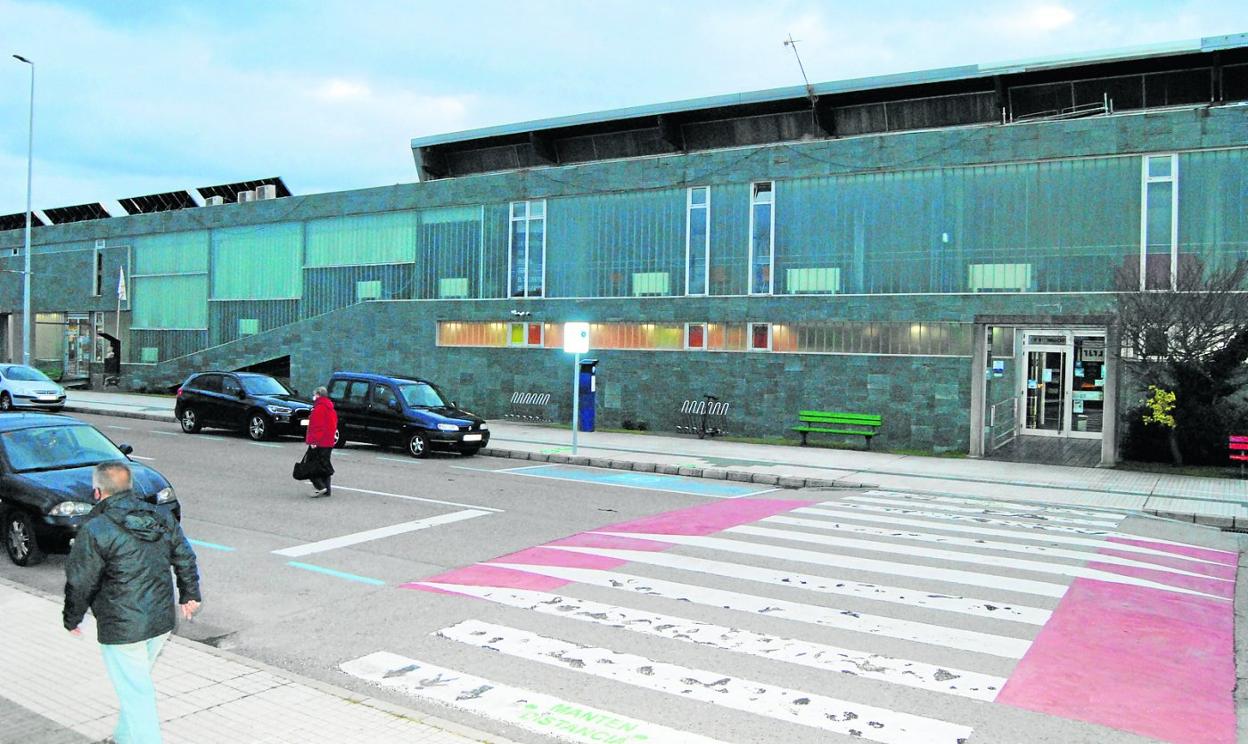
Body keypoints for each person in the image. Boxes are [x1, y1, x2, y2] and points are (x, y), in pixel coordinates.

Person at [63, 461, 201, 744]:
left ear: (98, 492)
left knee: (136, 691)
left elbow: (80, 580)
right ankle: (124, 737)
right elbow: (184, 556)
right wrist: (189, 594)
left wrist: (72, 618)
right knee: (135, 685)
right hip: (160, 621)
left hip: (122, 626)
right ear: (129, 487)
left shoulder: (95, 528)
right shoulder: (160, 516)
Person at [305, 385, 338, 497]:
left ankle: (320, 486)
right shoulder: (330, 408)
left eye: (315, 395)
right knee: (324, 465)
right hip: (328, 441)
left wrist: (313, 441)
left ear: (318, 395)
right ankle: (327, 489)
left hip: (319, 442)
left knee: (309, 465)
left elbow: (316, 426)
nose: (313, 397)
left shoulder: (319, 408)